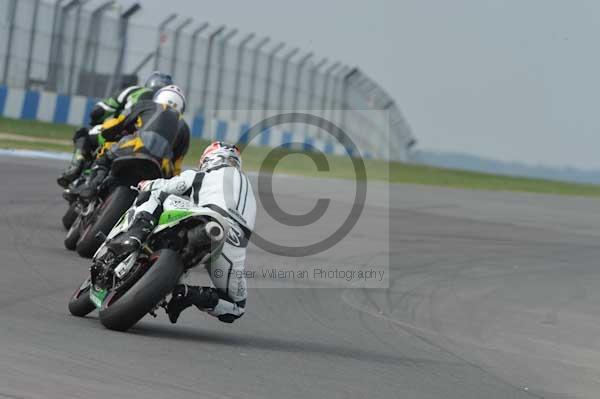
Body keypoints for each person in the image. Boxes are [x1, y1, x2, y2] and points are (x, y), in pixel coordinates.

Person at [107, 141, 256, 324]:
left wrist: (145, 184)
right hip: (232, 244)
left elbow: (170, 185)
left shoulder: (205, 173)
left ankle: (135, 235)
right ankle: (187, 294)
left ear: (208, 159)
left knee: (155, 192)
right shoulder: (249, 191)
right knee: (236, 307)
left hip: (206, 217)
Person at [57, 71, 177, 188]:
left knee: (83, 133)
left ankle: (75, 167)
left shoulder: (135, 91)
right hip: (150, 152)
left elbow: (100, 111)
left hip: (119, 133)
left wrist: (98, 120)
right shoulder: (171, 116)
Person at [76, 85, 190, 199]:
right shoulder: (184, 127)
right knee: (158, 195)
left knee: (105, 155)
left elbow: (118, 123)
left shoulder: (145, 104)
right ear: (181, 108)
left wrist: (106, 131)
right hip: (160, 164)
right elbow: (177, 165)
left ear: (158, 97)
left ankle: (92, 186)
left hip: (132, 148)